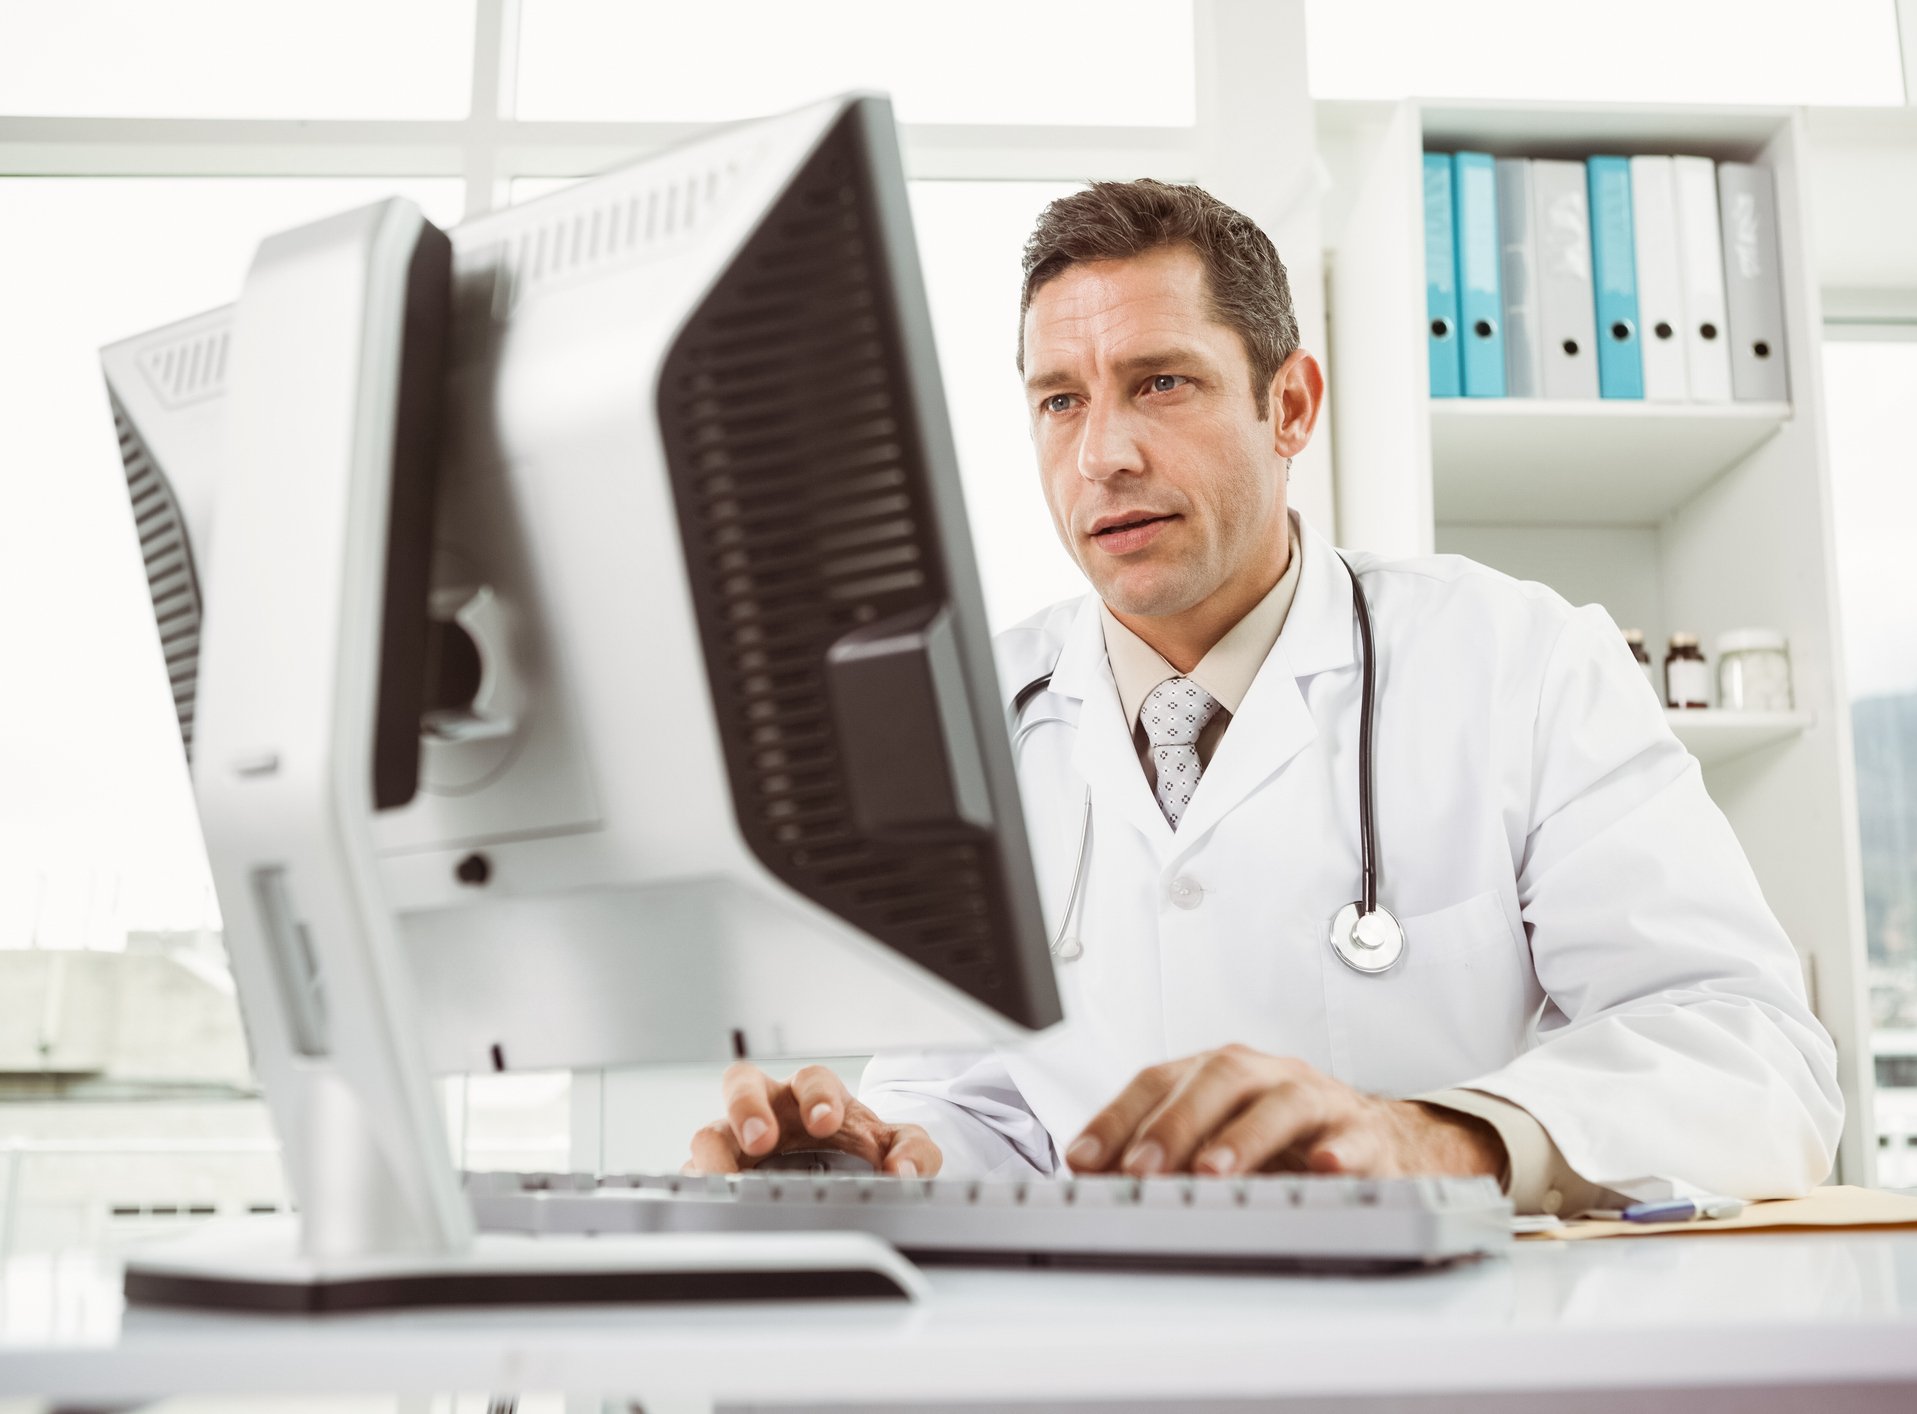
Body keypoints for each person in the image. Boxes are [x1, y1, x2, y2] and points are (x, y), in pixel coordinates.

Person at [687, 180, 1843, 1214]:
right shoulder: (972, 712)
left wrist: (1440, 1137)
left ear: (1289, 407)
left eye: (1161, 383)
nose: (1103, 455)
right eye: (1060, 401)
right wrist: (882, 1158)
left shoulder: (1521, 662)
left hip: (1434, 1359)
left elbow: (1754, 1054)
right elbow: (973, 1105)